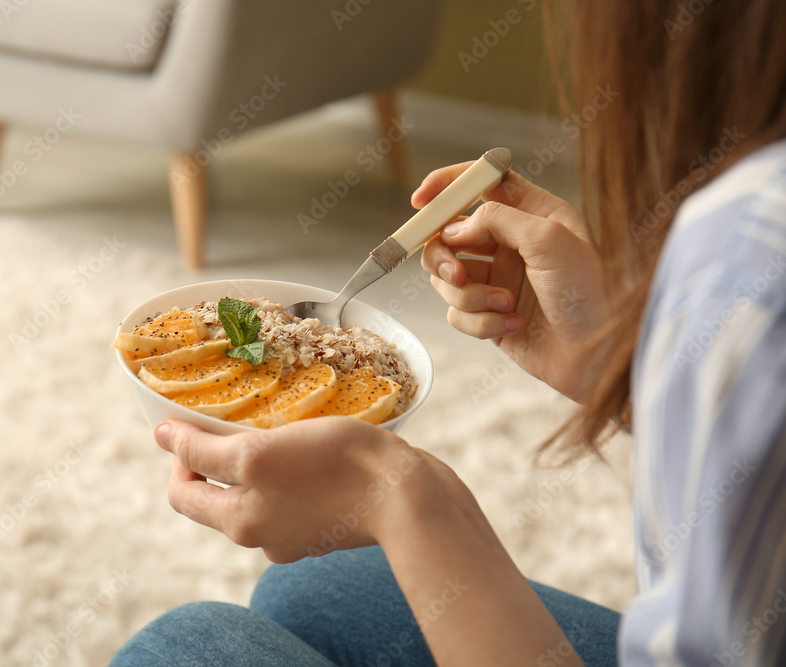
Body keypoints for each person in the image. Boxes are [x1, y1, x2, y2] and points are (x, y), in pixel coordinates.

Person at [110, 2, 786, 664]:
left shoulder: (747, 249)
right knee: (314, 583)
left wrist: (404, 495)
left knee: (179, 645)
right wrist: (623, 360)